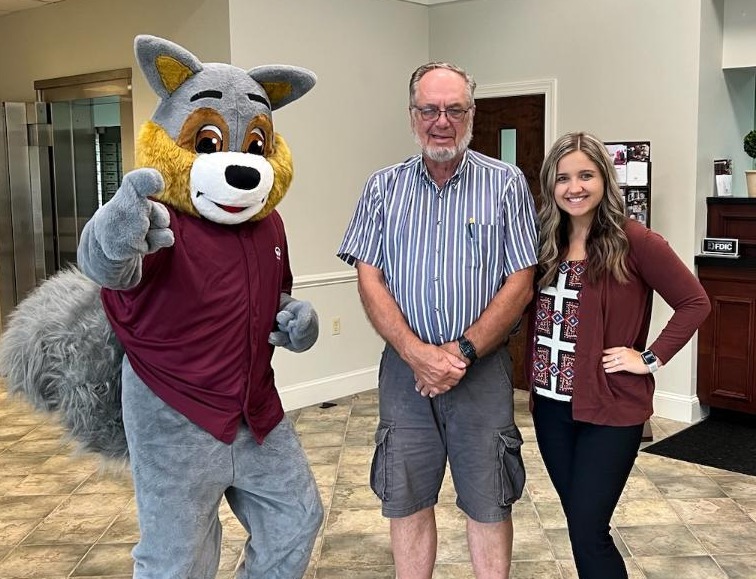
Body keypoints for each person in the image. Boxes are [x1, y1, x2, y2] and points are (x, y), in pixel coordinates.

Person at [337, 62, 538, 579]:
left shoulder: (506, 183)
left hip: (483, 372)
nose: (441, 121)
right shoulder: (382, 187)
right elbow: (369, 278)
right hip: (405, 377)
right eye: (429, 109)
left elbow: (520, 281)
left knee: (489, 500)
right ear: (412, 116)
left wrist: (461, 353)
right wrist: (417, 354)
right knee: (406, 501)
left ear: (472, 115)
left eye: (454, 109)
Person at [526, 131, 711, 578]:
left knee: (589, 528)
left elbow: (695, 302)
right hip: (550, 407)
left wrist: (648, 358)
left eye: (587, 175)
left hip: (611, 409)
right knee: (579, 525)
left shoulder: (634, 240)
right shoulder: (543, 241)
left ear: (606, 180)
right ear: (551, 184)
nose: (575, 187)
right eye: (564, 177)